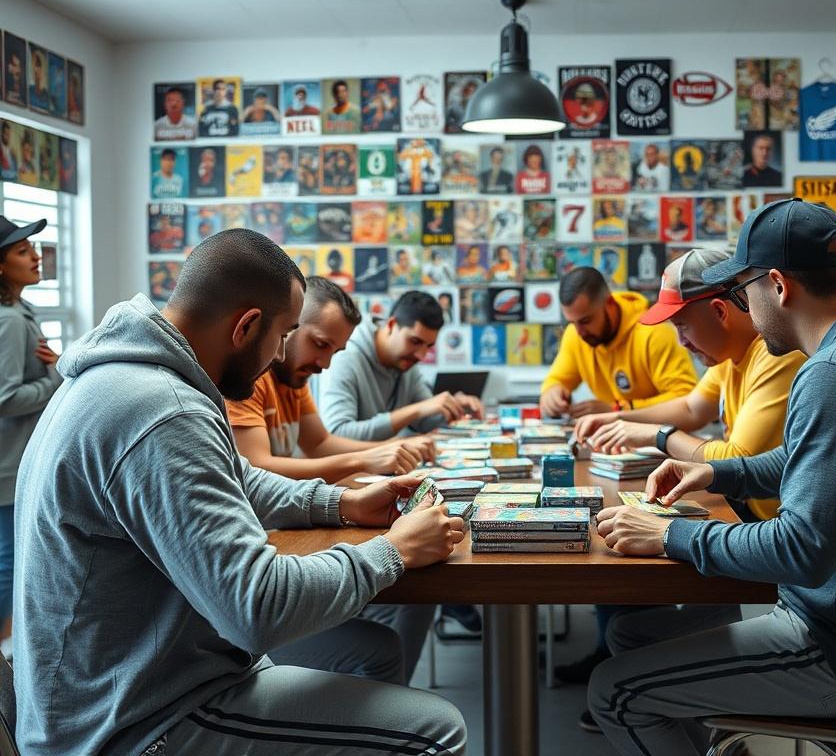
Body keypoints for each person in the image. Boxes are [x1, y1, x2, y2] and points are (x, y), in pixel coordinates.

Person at [14, 229, 467, 755]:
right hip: (133, 723)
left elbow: (236, 476)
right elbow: (258, 608)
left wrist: (342, 502)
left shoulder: (125, 379)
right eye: (281, 336)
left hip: (134, 686)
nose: (278, 356)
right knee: (436, 730)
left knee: (374, 667)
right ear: (247, 324)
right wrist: (394, 551)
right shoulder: (164, 411)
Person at [588, 198, 836, 756]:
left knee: (614, 693)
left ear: (778, 286)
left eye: (743, 292)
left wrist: (670, 535)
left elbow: (803, 550)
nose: (743, 309)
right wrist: (717, 472)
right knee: (629, 633)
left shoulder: (833, 374)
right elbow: (807, 460)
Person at [561, 250, 804, 717]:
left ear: (718, 311)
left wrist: (659, 437)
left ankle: (684, 692)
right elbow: (693, 409)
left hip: (764, 528)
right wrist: (617, 418)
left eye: (683, 327)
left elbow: (738, 457)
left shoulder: (771, 355)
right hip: (747, 516)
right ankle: (688, 688)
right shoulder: (731, 354)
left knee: (633, 534)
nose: (683, 342)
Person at [227, 276, 439, 682]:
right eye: (320, 344)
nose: (325, 363)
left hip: (285, 540)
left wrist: (373, 460)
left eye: (334, 351)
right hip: (267, 559)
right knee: (388, 626)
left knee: (418, 589)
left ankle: (380, 701)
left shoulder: (295, 377)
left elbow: (320, 442)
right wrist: (369, 458)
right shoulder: (250, 380)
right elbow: (258, 467)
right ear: (287, 329)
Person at [0, 216, 61, 655]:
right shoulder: (11, 322)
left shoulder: (22, 313)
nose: (36, 256)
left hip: (15, 458)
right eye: (22, 251)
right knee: (9, 562)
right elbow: (5, 397)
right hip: (7, 464)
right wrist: (54, 381)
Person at [321, 290, 484, 441]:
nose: (421, 355)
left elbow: (426, 420)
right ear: (392, 325)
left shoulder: (406, 363)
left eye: (429, 346)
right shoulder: (345, 356)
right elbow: (337, 433)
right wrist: (415, 410)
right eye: (415, 341)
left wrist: (456, 407)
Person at [541, 267, 697, 419]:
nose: (580, 332)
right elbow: (557, 381)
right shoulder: (575, 335)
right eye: (571, 323)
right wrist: (552, 395)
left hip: (662, 439)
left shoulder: (654, 333)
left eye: (586, 321)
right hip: (618, 439)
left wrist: (618, 410)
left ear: (609, 303)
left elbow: (687, 399)